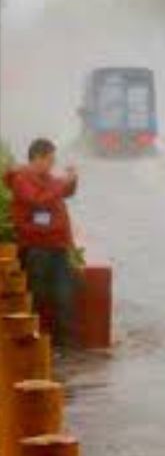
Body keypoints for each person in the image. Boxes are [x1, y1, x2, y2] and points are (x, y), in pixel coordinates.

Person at [4, 138, 79, 346]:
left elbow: (65, 191)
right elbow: (38, 199)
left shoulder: (48, 178)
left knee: (65, 296)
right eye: (49, 160)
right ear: (37, 158)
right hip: (37, 248)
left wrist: (71, 181)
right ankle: (33, 344)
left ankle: (67, 344)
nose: (52, 165)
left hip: (58, 246)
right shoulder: (22, 179)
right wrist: (62, 183)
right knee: (37, 297)